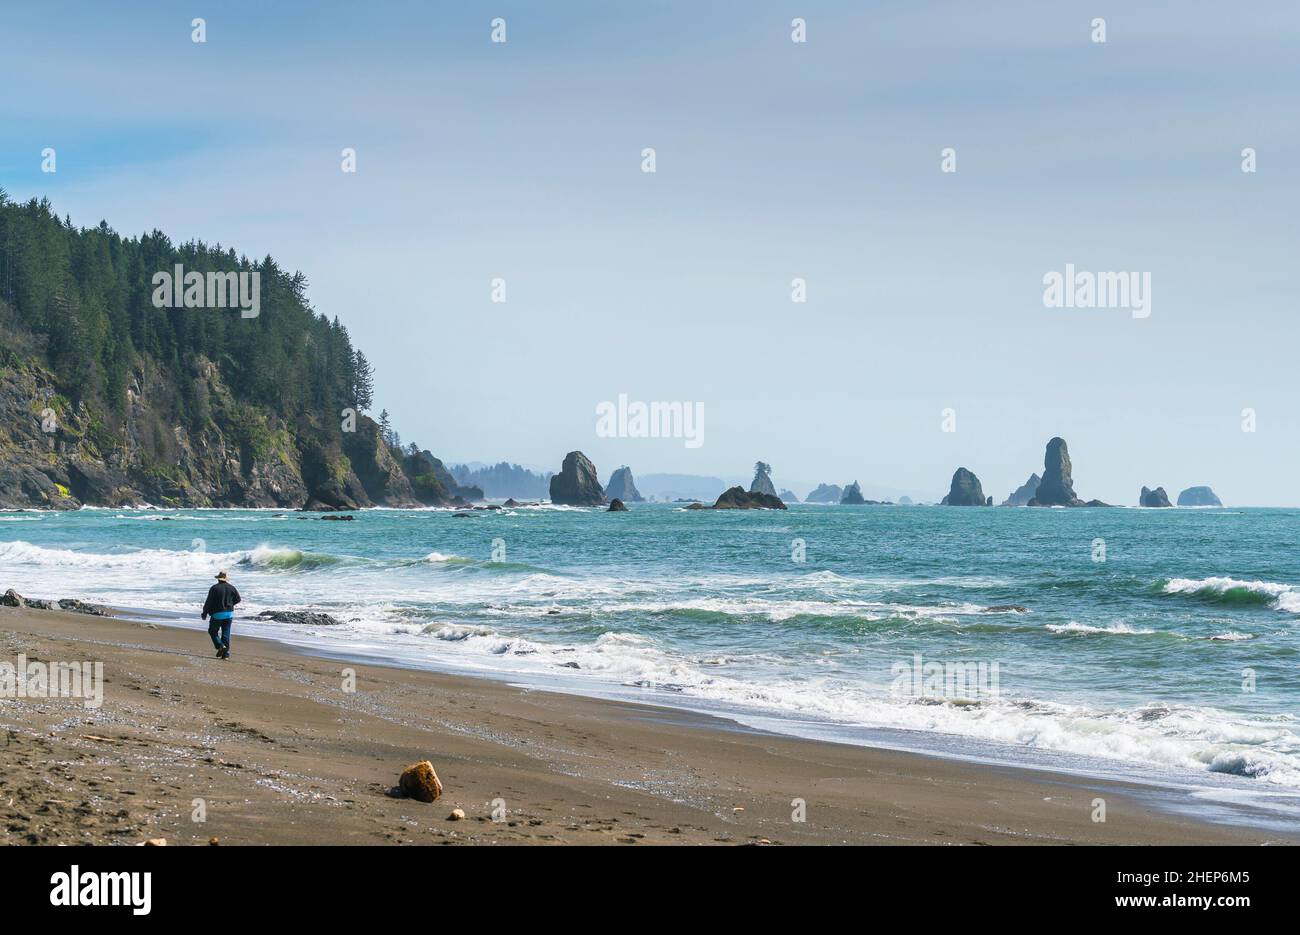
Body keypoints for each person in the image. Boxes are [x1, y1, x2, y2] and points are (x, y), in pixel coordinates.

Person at [201, 571, 241, 659]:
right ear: (226, 579)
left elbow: (209, 602)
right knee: (226, 634)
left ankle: (220, 646)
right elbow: (238, 599)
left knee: (212, 631)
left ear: (218, 579)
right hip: (229, 614)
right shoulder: (232, 588)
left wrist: (204, 613)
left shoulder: (214, 588)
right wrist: (230, 604)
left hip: (217, 614)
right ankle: (225, 655)